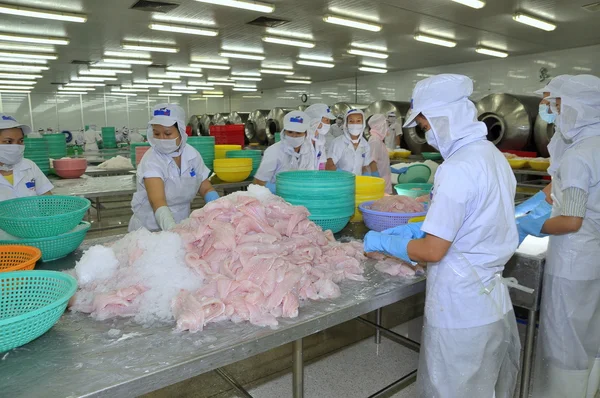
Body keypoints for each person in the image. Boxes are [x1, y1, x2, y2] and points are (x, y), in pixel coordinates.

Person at [364, 74, 522, 397]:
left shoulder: (456, 168)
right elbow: (472, 225)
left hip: (459, 309)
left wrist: (384, 241)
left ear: (443, 119)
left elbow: (434, 250)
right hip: (491, 304)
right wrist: (419, 228)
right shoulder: (494, 158)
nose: (426, 134)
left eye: (425, 126)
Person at [517, 75, 600, 398]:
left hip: (573, 260)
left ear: (577, 109)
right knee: (589, 334)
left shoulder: (579, 155)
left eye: (555, 104)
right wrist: (538, 201)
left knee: (564, 341)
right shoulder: (594, 144)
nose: (549, 110)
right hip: (592, 256)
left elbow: (571, 220)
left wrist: (528, 226)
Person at [129, 104, 218, 232]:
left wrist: (218, 207)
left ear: (181, 131)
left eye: (168, 133)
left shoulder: (192, 155)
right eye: (156, 133)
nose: (162, 139)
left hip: (182, 223)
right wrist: (172, 230)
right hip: (149, 230)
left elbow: (205, 187)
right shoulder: (151, 160)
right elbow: (157, 201)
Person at [253, 111, 314, 193]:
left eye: (298, 133)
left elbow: (309, 177)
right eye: (290, 132)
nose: (294, 136)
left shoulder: (308, 151)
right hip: (273, 197)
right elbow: (259, 182)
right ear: (284, 132)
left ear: (306, 134)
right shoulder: (274, 151)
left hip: (298, 196)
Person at [0, 114, 53, 200]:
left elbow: (49, 200)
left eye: (20, 141)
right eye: (8, 141)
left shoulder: (29, 166)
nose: (16, 146)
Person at [327, 109, 378, 176]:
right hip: (341, 183)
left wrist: (368, 175)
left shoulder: (365, 145)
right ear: (346, 124)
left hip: (358, 183)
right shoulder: (337, 143)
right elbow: (329, 166)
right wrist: (343, 175)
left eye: (358, 121)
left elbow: (365, 166)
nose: (355, 124)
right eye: (351, 121)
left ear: (363, 124)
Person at [305, 104, 335, 170]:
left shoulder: (321, 138)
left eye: (329, 121)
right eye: (326, 120)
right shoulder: (303, 138)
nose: (328, 124)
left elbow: (322, 163)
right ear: (315, 121)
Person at [367, 114, 392, 194]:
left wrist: (391, 169)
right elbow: (372, 162)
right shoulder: (374, 140)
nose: (386, 127)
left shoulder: (379, 140)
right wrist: (376, 179)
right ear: (380, 126)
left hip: (383, 180)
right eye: (385, 125)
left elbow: (380, 160)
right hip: (379, 183)